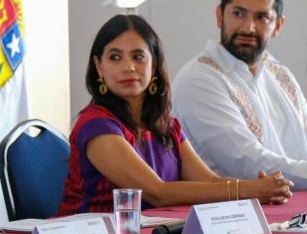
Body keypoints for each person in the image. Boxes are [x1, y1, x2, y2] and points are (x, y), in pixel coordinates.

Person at [58, 15, 291, 215]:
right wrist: (250, 190)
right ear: (99, 67)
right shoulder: (96, 126)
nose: (128, 67)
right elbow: (157, 193)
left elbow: (208, 181)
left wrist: (258, 188)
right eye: (115, 57)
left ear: (155, 64)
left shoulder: (167, 126)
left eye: (138, 57)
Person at [173, 0, 307, 189]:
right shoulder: (198, 79)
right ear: (220, 16)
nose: (248, 28)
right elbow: (248, 162)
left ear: (278, 25)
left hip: (292, 211)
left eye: (262, 17)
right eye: (238, 14)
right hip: (233, 216)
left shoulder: (280, 75)